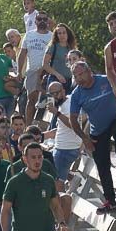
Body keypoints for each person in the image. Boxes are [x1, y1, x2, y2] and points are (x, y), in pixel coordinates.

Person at [67, 61, 116, 213]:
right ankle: (110, 201)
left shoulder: (105, 80)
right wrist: (85, 139)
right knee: (102, 165)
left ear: (89, 71)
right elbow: (73, 119)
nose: (79, 78)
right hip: (98, 130)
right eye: (75, 76)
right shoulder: (77, 94)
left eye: (81, 74)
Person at [44, 80, 82, 215]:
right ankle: (72, 178)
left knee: (57, 188)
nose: (55, 96)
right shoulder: (64, 103)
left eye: (57, 92)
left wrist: (57, 113)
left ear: (63, 91)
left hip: (65, 149)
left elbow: (74, 125)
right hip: (60, 147)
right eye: (52, 94)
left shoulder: (67, 105)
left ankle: (59, 219)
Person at [18, 10, 55, 124]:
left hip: (47, 71)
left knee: (49, 100)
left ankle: (46, 126)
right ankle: (28, 126)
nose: (42, 21)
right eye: (40, 19)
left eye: (45, 19)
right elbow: (22, 54)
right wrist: (19, 72)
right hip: (32, 71)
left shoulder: (52, 36)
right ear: (35, 21)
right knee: (31, 99)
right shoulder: (29, 35)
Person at [42, 23, 77, 93]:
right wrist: (57, 75)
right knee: (53, 102)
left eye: (64, 33)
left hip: (69, 80)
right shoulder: (53, 47)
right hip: (55, 80)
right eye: (59, 33)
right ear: (56, 35)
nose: (62, 35)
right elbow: (45, 64)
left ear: (68, 34)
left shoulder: (71, 48)